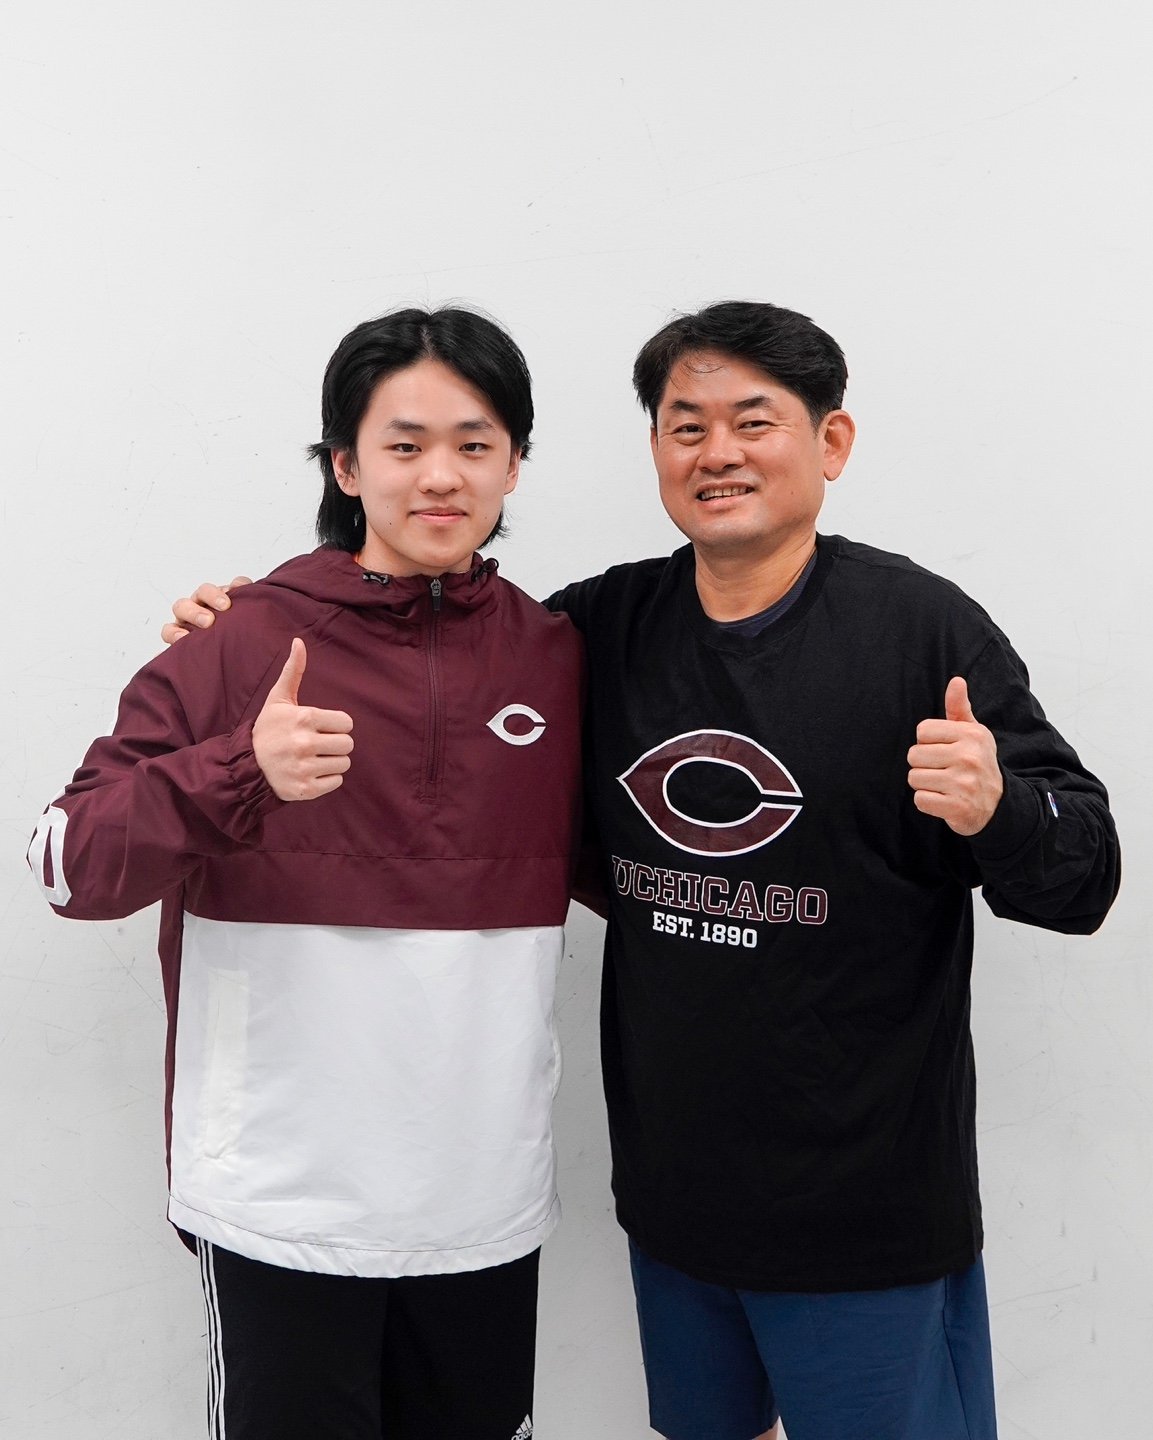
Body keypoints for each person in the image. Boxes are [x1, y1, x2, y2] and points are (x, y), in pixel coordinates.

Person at [162, 301, 1121, 1440]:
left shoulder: (920, 630)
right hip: (676, 1202)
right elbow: (437, 663)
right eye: (685, 426)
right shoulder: (601, 631)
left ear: (831, 442)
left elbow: (1083, 879)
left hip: (864, 1210)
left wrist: (1000, 810)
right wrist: (255, 625)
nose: (717, 453)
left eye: (753, 422)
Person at [29, 307, 585, 1440]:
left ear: (515, 463)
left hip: (482, 1199)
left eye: (475, 444)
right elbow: (66, 868)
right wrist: (237, 770)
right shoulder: (239, 642)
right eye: (404, 444)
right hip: (281, 1202)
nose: (441, 475)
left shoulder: (559, 656)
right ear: (346, 465)